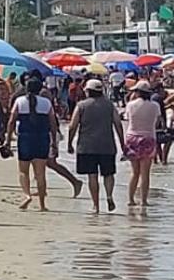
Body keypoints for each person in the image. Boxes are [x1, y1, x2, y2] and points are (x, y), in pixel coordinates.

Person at [67, 79, 124, 214]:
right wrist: (123, 144)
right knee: (108, 174)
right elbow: (118, 124)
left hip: (87, 146)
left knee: (92, 175)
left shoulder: (81, 105)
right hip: (107, 145)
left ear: (88, 91)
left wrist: (69, 143)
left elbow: (72, 126)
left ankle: (96, 205)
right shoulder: (110, 105)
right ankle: (109, 196)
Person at [5, 78, 59, 211]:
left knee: (23, 171)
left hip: (25, 138)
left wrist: (7, 140)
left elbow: (11, 121)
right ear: (40, 89)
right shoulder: (46, 102)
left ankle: (27, 195)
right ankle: (42, 204)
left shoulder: (20, 101)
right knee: (40, 173)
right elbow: (53, 124)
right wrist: (54, 142)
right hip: (42, 139)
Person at [124, 80, 160, 208]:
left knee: (134, 172)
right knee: (145, 173)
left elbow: (128, 118)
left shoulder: (130, 105)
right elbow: (157, 121)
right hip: (148, 137)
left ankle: (131, 199)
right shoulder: (155, 106)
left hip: (132, 137)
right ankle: (143, 200)